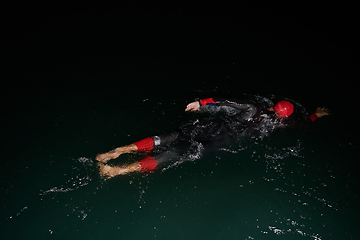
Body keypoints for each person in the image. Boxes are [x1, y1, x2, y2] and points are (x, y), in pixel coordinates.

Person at [96, 97, 330, 178]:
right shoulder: (277, 125)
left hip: (208, 127)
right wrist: (316, 115)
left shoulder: (253, 108)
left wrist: (201, 103)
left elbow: (224, 102)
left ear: (273, 106)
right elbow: (302, 123)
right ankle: (119, 172)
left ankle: (115, 152)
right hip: (218, 143)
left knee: (168, 137)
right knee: (172, 154)